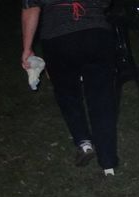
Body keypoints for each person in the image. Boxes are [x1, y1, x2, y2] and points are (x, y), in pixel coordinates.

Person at [21, 0, 120, 176]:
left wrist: (27, 48)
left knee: (67, 93)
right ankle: (108, 162)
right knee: (101, 97)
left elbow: (31, 8)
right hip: (95, 34)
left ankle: (83, 142)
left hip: (58, 39)